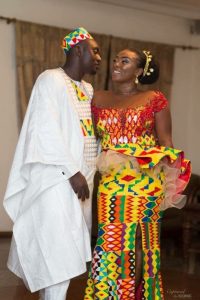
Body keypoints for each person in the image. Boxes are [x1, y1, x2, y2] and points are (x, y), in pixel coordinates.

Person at [84, 49, 191, 299]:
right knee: (109, 241)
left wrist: (173, 175)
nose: (116, 64)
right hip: (111, 183)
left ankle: (137, 295)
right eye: (115, 60)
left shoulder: (154, 98)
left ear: (139, 71)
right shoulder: (97, 98)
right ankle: (106, 294)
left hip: (146, 181)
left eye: (125, 61)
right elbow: (89, 139)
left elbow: (166, 141)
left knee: (142, 243)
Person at [3, 27, 101, 300]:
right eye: (94, 50)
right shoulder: (50, 80)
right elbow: (44, 130)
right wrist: (72, 172)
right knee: (59, 255)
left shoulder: (87, 88)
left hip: (84, 182)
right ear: (78, 50)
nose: (99, 58)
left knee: (64, 258)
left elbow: (88, 133)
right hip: (59, 180)